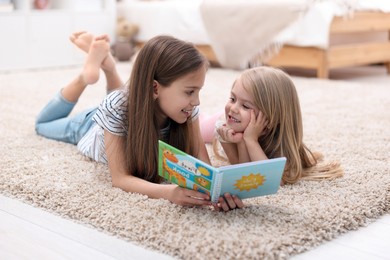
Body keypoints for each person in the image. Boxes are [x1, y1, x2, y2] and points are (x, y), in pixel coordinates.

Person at [35, 32, 244, 211]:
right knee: (42, 125)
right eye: (190, 92)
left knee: (127, 101)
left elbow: (203, 167)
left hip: (130, 107)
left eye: (198, 91)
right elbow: (120, 179)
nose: (196, 101)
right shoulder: (116, 107)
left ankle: (108, 66)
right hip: (89, 127)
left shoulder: (188, 110)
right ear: (155, 88)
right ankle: (84, 77)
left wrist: (217, 194)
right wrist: (169, 192)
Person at [200, 66, 343, 184]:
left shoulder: (282, 146)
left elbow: (271, 180)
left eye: (245, 105)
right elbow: (240, 168)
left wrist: (249, 140)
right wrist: (239, 141)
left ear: (271, 118)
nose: (233, 108)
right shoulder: (224, 126)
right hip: (224, 121)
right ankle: (198, 114)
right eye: (232, 98)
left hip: (240, 124)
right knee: (198, 126)